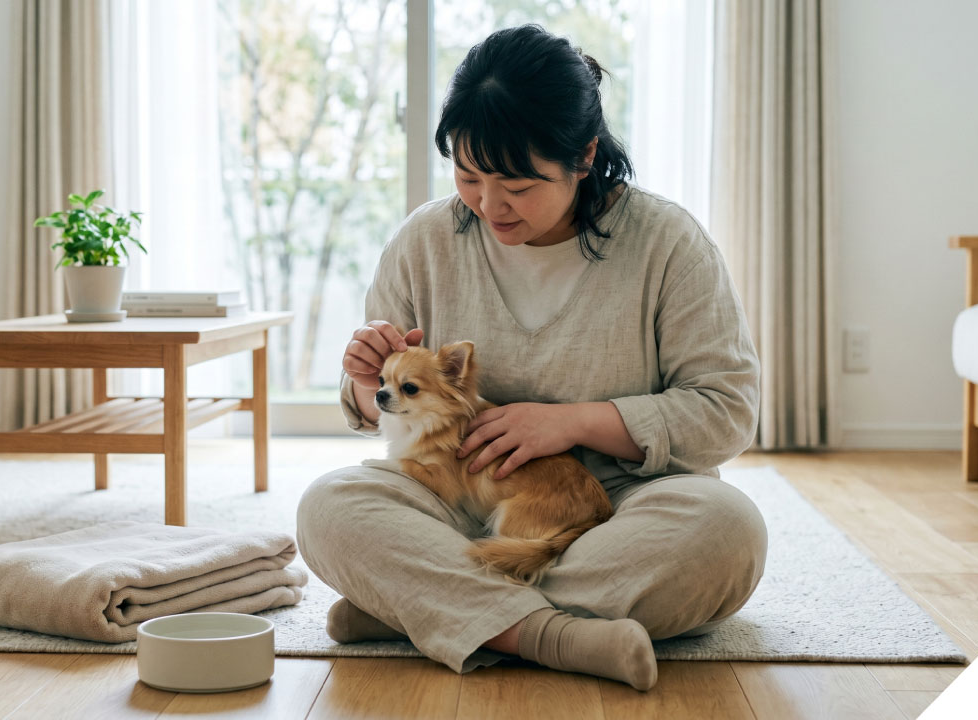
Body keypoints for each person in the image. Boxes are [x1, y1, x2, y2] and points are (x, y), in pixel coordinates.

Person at [295, 24, 767, 692]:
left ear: (584, 157)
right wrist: (365, 379)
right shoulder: (426, 241)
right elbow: (384, 414)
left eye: (517, 183)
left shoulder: (667, 244)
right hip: (454, 500)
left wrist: (575, 422)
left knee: (728, 532)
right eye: (468, 175)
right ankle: (551, 635)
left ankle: (425, 610)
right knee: (329, 507)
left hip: (623, 506)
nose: (489, 204)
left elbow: (727, 414)